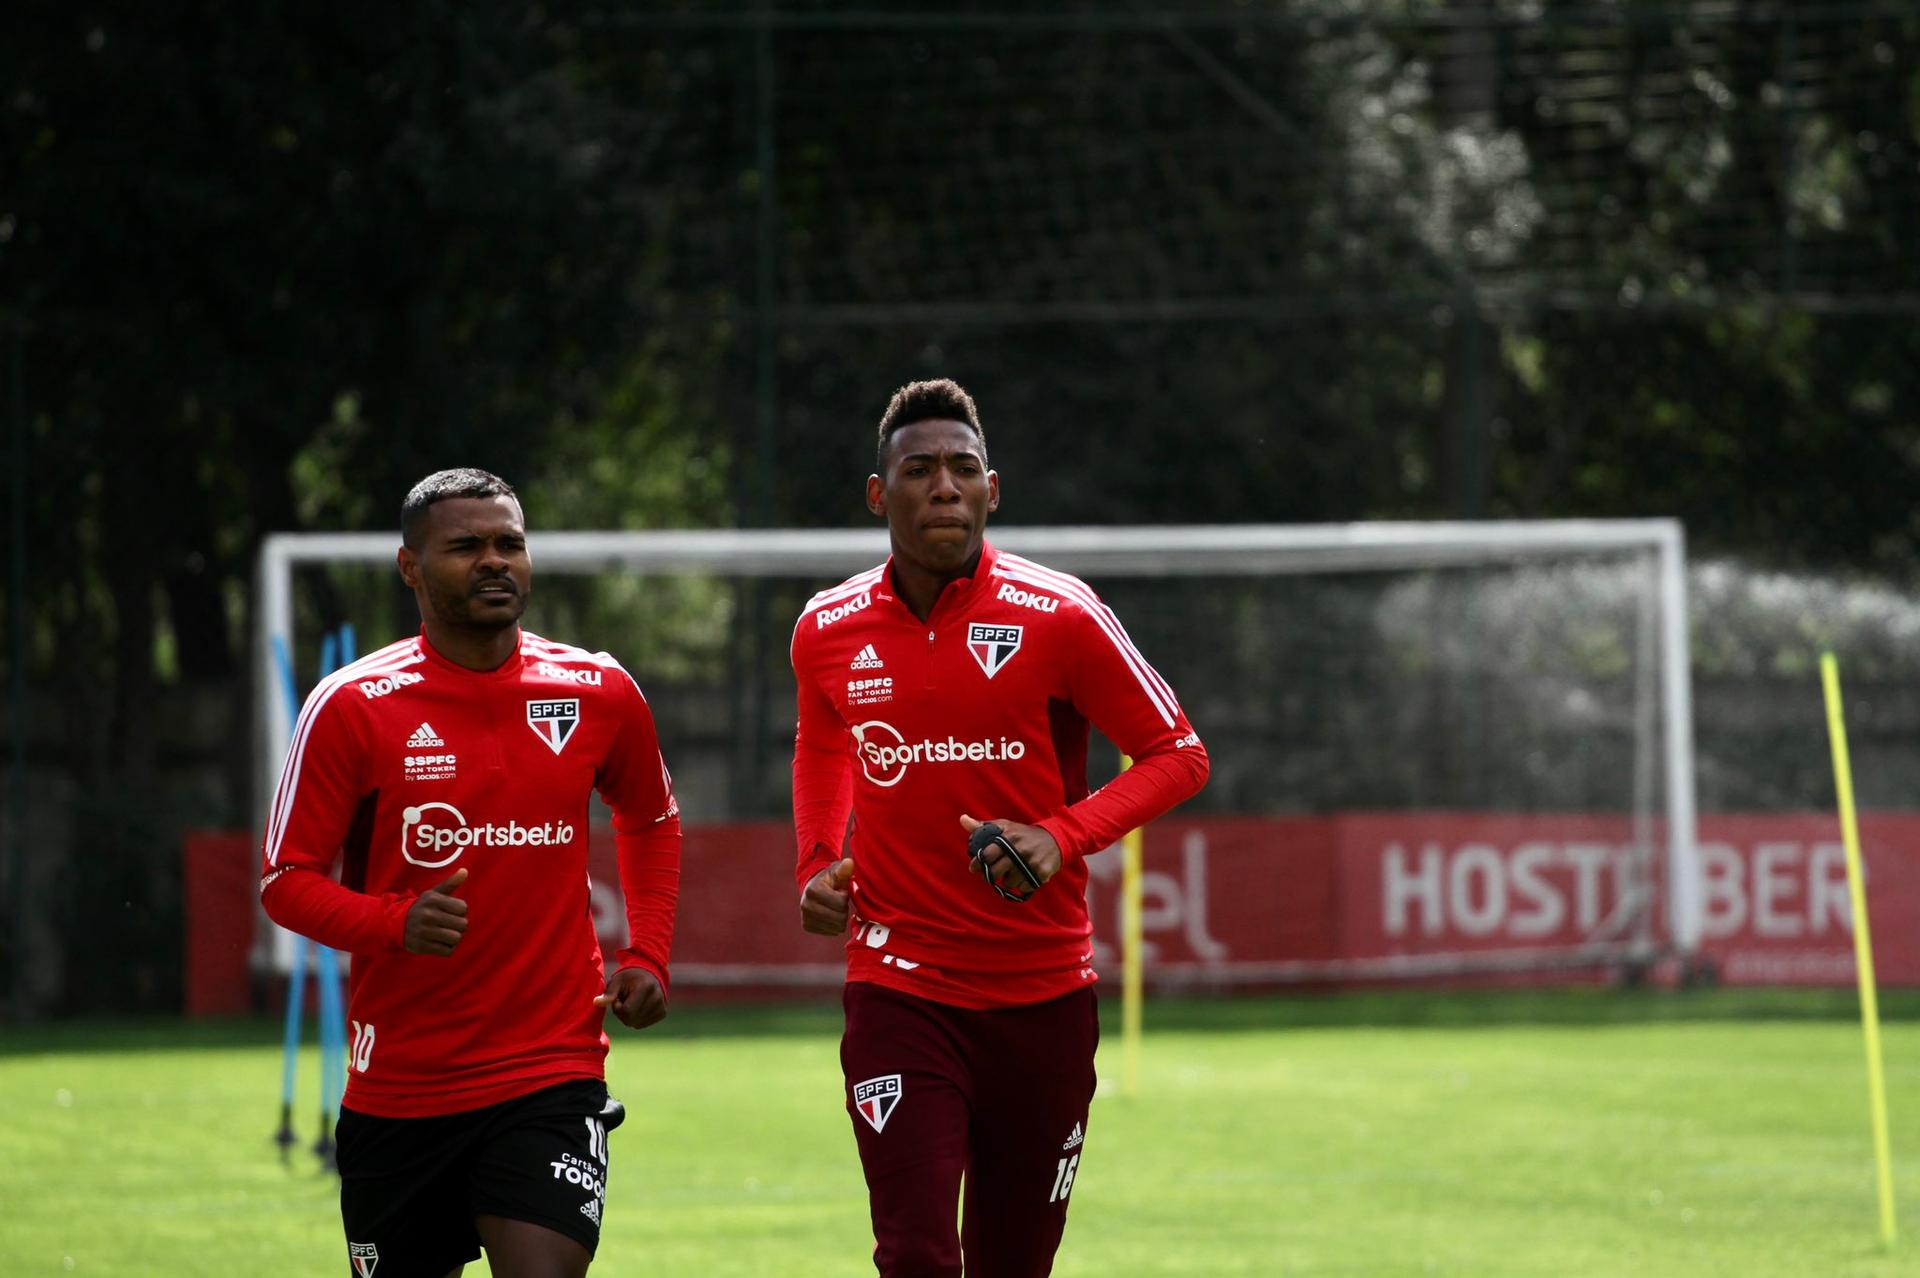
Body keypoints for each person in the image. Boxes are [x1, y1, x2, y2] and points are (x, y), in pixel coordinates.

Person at [789, 380, 1210, 1277]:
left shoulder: (1061, 614)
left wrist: (1063, 835)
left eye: (962, 468)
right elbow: (823, 747)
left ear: (992, 490)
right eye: (919, 469)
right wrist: (819, 861)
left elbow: (1179, 754)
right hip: (897, 986)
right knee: (914, 1253)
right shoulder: (826, 628)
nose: (943, 486)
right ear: (879, 495)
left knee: (1012, 1263)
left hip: (1043, 997)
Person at [259, 468, 681, 1278]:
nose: (495, 562)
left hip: (550, 1069)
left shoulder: (596, 689)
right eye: (466, 547)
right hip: (401, 1090)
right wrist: (393, 922)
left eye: (509, 544)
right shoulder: (352, 706)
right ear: (410, 567)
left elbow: (651, 816)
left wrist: (650, 953)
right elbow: (285, 880)